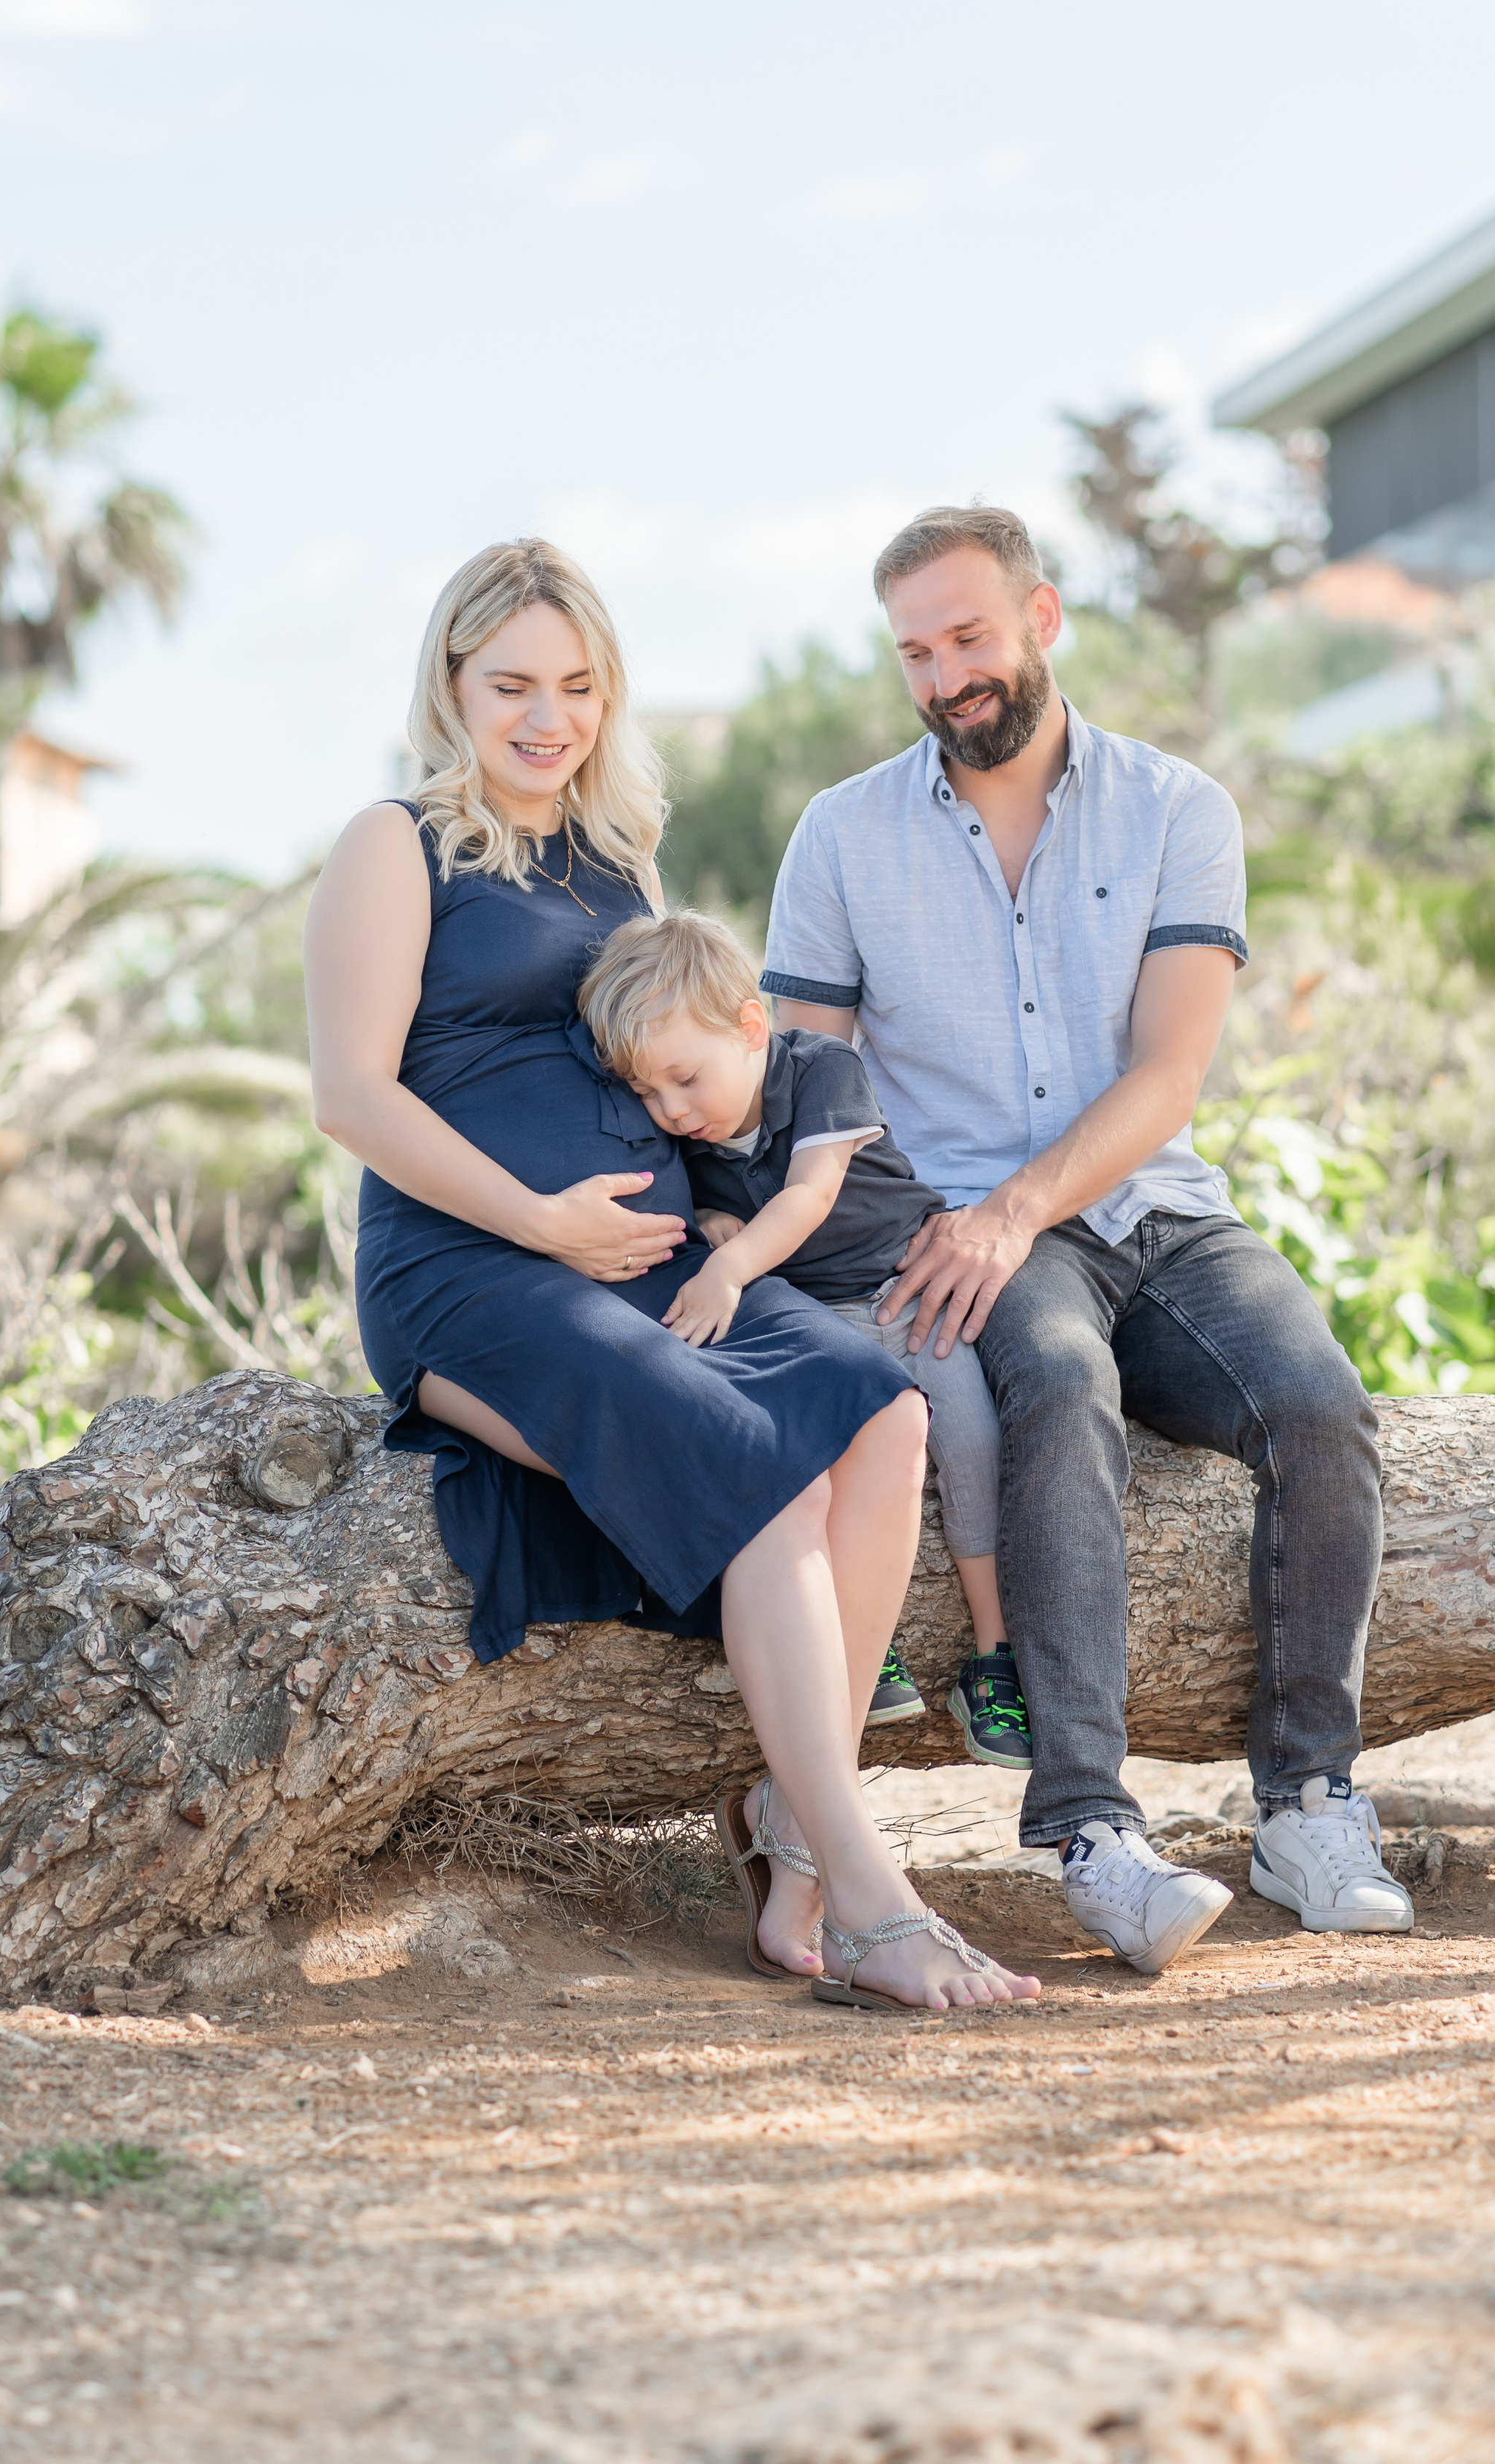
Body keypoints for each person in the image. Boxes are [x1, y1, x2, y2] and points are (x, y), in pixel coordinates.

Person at [303, 536, 1039, 2015]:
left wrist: (722, 1216)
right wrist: (541, 1221)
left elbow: (683, 1057)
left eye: (577, 687)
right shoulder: (393, 844)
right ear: (449, 684)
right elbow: (351, 1098)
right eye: (510, 683)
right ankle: (868, 1895)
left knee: (878, 1411)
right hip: (475, 1271)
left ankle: (789, 1831)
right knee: (756, 1468)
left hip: (650, 1265)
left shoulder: (618, 854)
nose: (544, 718)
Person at [761, 503, 1415, 1976]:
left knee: (1318, 1410)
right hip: (968, 1239)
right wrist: (881, 1241)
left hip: (1149, 1206)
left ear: (1040, 620)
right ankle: (1089, 1833)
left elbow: (1166, 1076)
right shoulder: (840, 836)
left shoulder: (1175, 808)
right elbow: (805, 1084)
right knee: (1056, 1391)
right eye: (915, 652)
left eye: (968, 636)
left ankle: (1306, 1804)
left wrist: (1014, 1207)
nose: (945, 675)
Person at [575, 906, 1032, 1769]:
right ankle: (864, 1641)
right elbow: (706, 1202)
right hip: (814, 1313)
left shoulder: (820, 1069)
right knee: (818, 1459)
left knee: (969, 1435)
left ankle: (993, 1652)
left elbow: (809, 1195)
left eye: (683, 1079)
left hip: (902, 1289)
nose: (672, 1110)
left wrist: (730, 1265)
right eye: (647, 1094)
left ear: (752, 1027)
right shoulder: (692, 1131)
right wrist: (708, 1214)